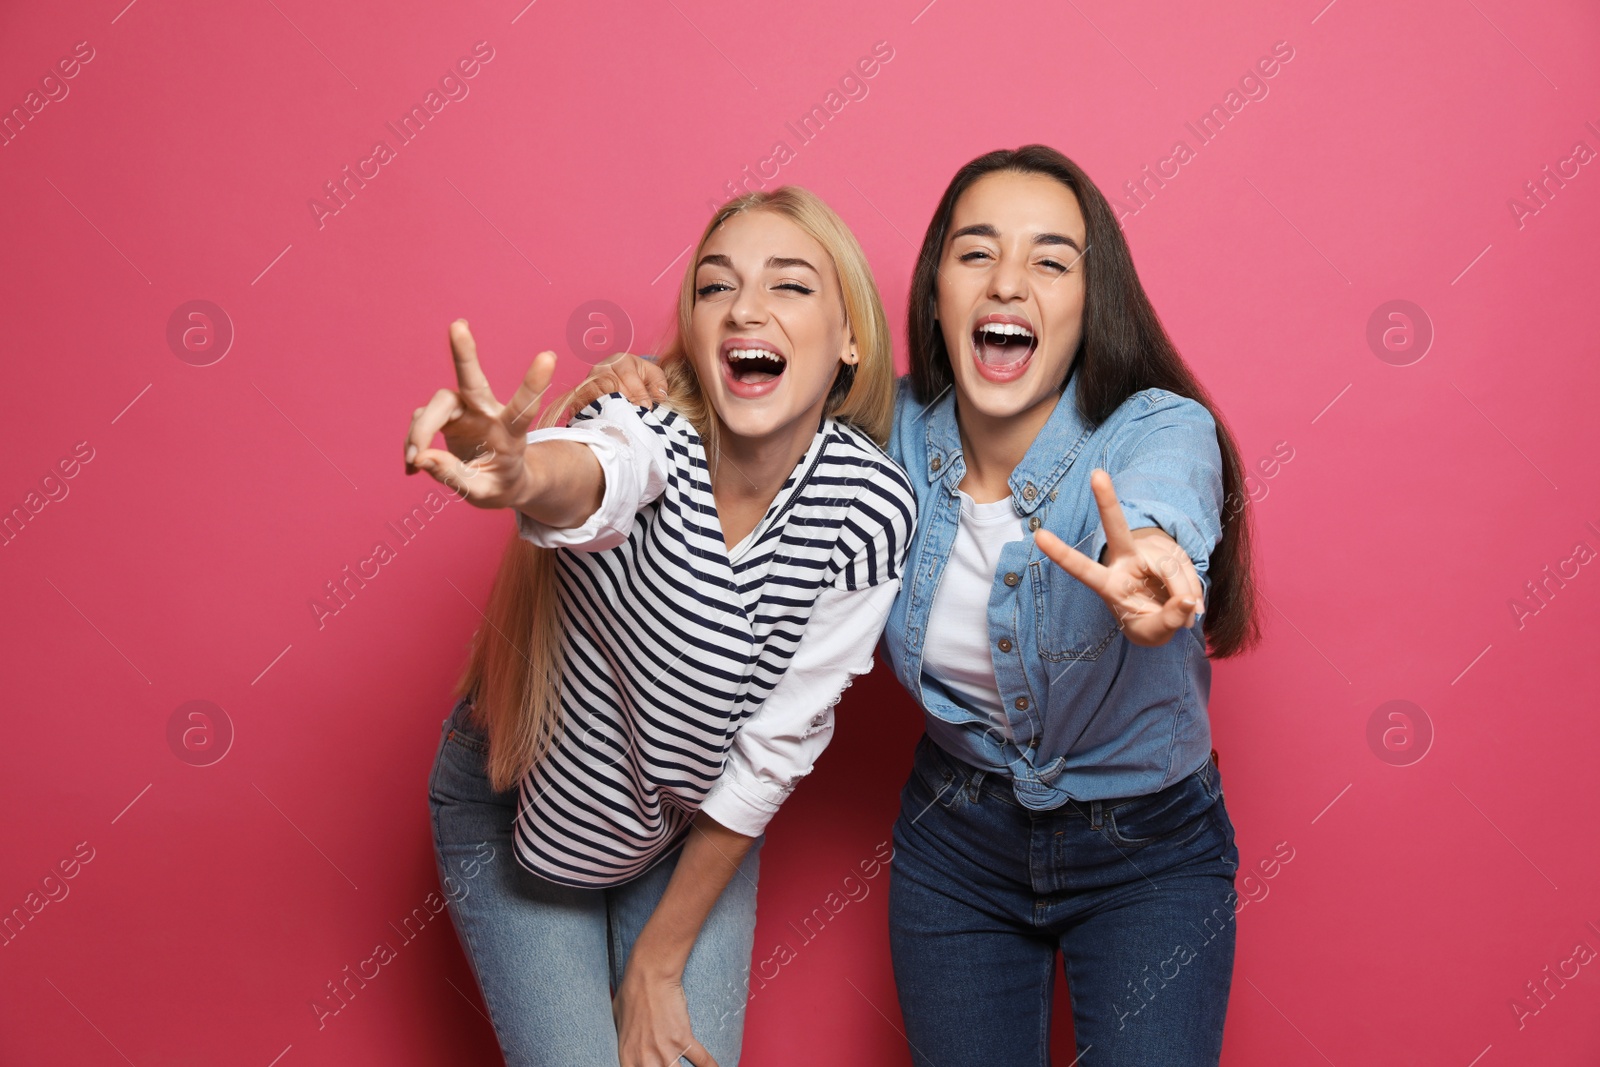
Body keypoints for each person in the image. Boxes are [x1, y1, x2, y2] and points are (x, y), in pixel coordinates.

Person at [565, 144, 1261, 1066]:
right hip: (958, 848)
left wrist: (1161, 563)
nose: (1008, 282)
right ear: (935, 294)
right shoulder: (877, 443)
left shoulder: (1155, 425)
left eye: (1050, 262)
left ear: (1092, 306)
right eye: (976, 253)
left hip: (1149, 849)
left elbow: (1160, 499)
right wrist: (636, 387)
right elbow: (747, 408)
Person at [406, 186, 916, 1067]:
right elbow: (597, 473)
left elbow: (777, 745)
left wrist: (660, 959)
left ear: (850, 341)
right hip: (521, 789)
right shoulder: (643, 429)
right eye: (716, 287)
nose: (745, 307)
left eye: (789, 286)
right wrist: (525, 474)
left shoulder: (869, 507)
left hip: (686, 821)